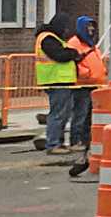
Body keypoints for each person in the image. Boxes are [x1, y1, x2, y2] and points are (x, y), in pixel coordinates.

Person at [35, 13, 82, 156]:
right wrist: (73, 53)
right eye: (65, 27)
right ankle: (53, 143)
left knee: (64, 113)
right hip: (55, 80)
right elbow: (59, 55)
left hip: (62, 81)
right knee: (58, 114)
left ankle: (58, 143)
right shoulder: (47, 38)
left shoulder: (54, 38)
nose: (67, 31)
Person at [65, 15, 107, 177]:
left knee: (91, 116)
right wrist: (86, 73)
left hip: (95, 84)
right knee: (80, 114)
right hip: (83, 85)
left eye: (92, 27)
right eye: (88, 27)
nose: (91, 30)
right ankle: (77, 140)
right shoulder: (74, 43)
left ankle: (87, 139)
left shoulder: (92, 44)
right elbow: (74, 63)